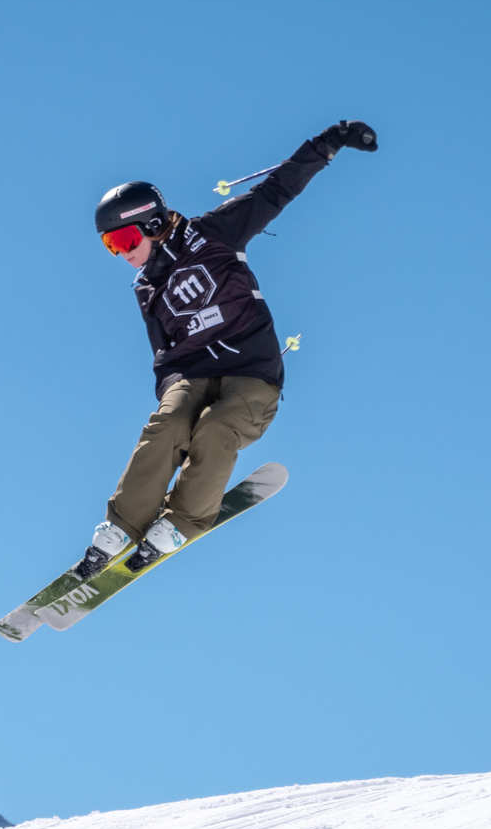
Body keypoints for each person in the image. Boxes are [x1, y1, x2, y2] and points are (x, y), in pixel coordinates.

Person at [74, 119, 380, 578]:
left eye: (124, 239)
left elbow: (276, 191)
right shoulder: (146, 287)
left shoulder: (213, 235)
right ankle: (123, 526)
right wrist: (173, 392)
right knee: (169, 424)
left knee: (216, 430)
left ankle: (181, 520)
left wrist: (331, 141)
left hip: (253, 373)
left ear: (152, 225)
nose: (122, 253)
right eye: (110, 246)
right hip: (192, 373)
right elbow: (163, 353)